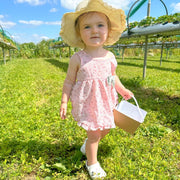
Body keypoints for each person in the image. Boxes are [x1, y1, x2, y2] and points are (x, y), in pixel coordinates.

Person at [60, 0, 133, 179]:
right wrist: (64, 101)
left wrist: (122, 90)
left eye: (100, 25)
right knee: (94, 134)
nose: (94, 30)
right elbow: (69, 81)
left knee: (105, 129)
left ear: (108, 31)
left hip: (106, 101)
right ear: (79, 33)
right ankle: (91, 162)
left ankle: (88, 145)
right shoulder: (78, 58)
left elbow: (113, 76)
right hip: (88, 102)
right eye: (87, 27)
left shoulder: (110, 57)